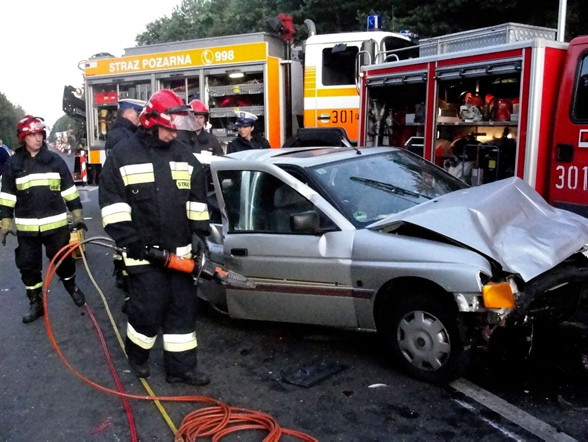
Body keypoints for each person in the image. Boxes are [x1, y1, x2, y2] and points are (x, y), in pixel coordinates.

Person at [98, 89, 211, 386]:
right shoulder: (123, 155)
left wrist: (199, 233)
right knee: (147, 309)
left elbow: (197, 198)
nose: (174, 135)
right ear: (150, 121)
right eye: (168, 128)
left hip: (181, 253)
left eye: (177, 129)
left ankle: (181, 368)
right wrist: (132, 241)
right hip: (141, 254)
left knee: (182, 310)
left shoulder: (183, 155)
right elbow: (113, 207)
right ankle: (137, 355)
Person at [0, 116, 87, 324]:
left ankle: (71, 287)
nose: (37, 139)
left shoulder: (54, 160)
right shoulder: (14, 164)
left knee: (63, 260)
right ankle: (35, 302)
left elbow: (69, 189)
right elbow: (7, 195)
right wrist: (4, 219)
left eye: (39, 134)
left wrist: (77, 213)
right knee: (28, 266)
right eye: (32, 135)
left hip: (55, 226)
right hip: (27, 228)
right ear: (23, 137)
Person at [104, 98, 146, 304]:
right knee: (130, 240)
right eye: (138, 114)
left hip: (124, 194)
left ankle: (124, 276)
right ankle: (131, 288)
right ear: (128, 113)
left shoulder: (118, 134)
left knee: (123, 243)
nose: (140, 118)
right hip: (128, 195)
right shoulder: (123, 137)